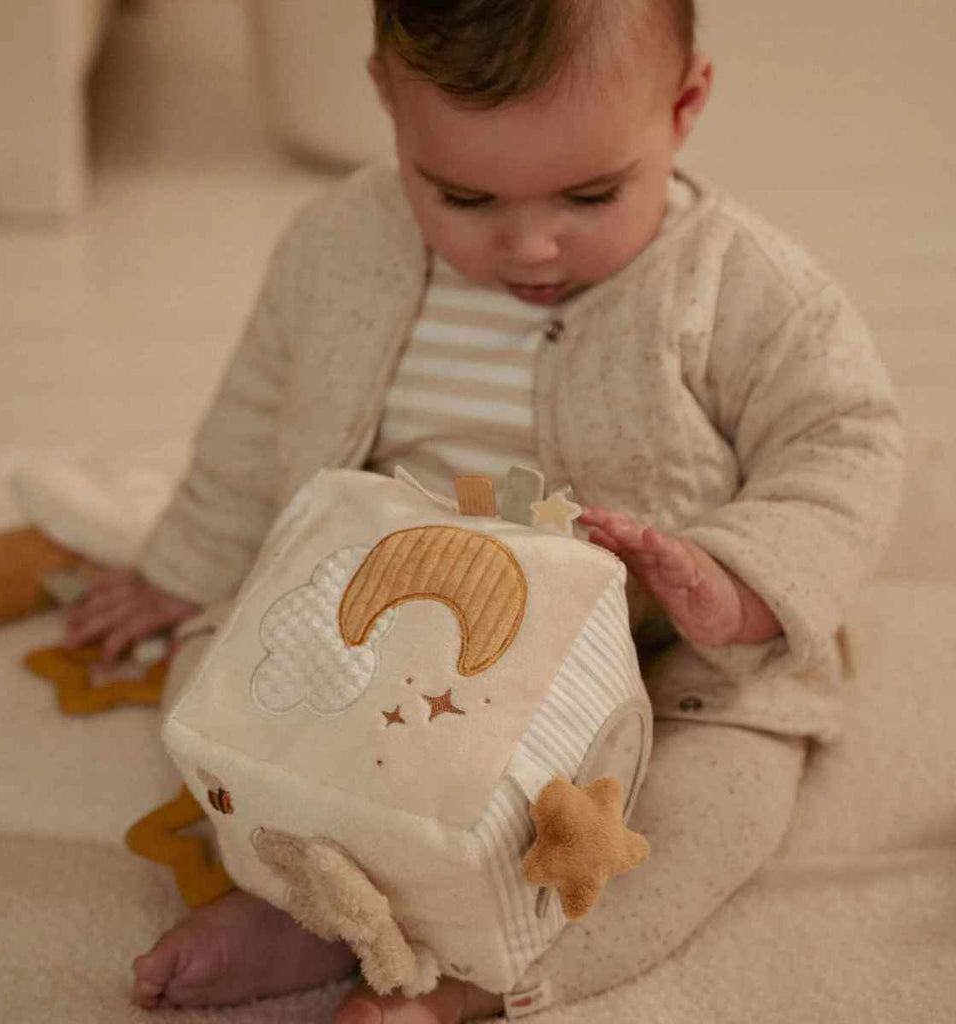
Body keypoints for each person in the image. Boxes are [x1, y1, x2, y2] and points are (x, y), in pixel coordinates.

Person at [62, 1, 905, 1021]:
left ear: (684, 108)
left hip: (653, 656)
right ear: (386, 101)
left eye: (592, 193)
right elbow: (253, 424)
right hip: (380, 642)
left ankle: (484, 978)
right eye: (462, 194)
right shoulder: (335, 247)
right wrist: (183, 564)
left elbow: (844, 438)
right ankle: (305, 907)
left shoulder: (740, 285)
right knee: (226, 701)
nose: (532, 245)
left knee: (712, 802)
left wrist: (731, 584)